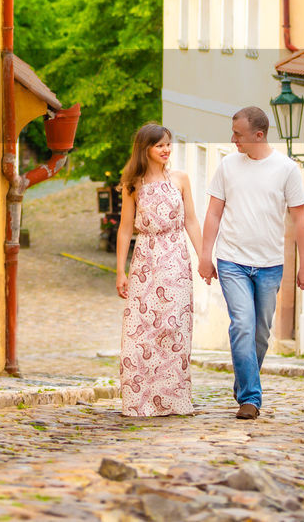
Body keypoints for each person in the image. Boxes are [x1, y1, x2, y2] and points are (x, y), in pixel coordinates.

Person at [199, 107, 304, 420]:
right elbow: (213, 213)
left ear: (258, 135)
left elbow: (300, 218)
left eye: (238, 134)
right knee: (243, 326)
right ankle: (251, 398)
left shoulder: (286, 169)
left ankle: (243, 380)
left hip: (270, 265)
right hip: (232, 260)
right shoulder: (227, 165)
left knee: (261, 333)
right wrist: (206, 255)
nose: (232, 139)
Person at [115, 123, 202, 417]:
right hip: (146, 260)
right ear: (146, 149)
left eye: (168, 144)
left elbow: (191, 221)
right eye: (159, 145)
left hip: (176, 258)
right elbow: (126, 228)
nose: (166, 150)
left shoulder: (181, 179)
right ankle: (142, 400)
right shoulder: (133, 184)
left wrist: (204, 258)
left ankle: (173, 399)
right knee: (143, 330)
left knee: (173, 327)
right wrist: (120, 271)